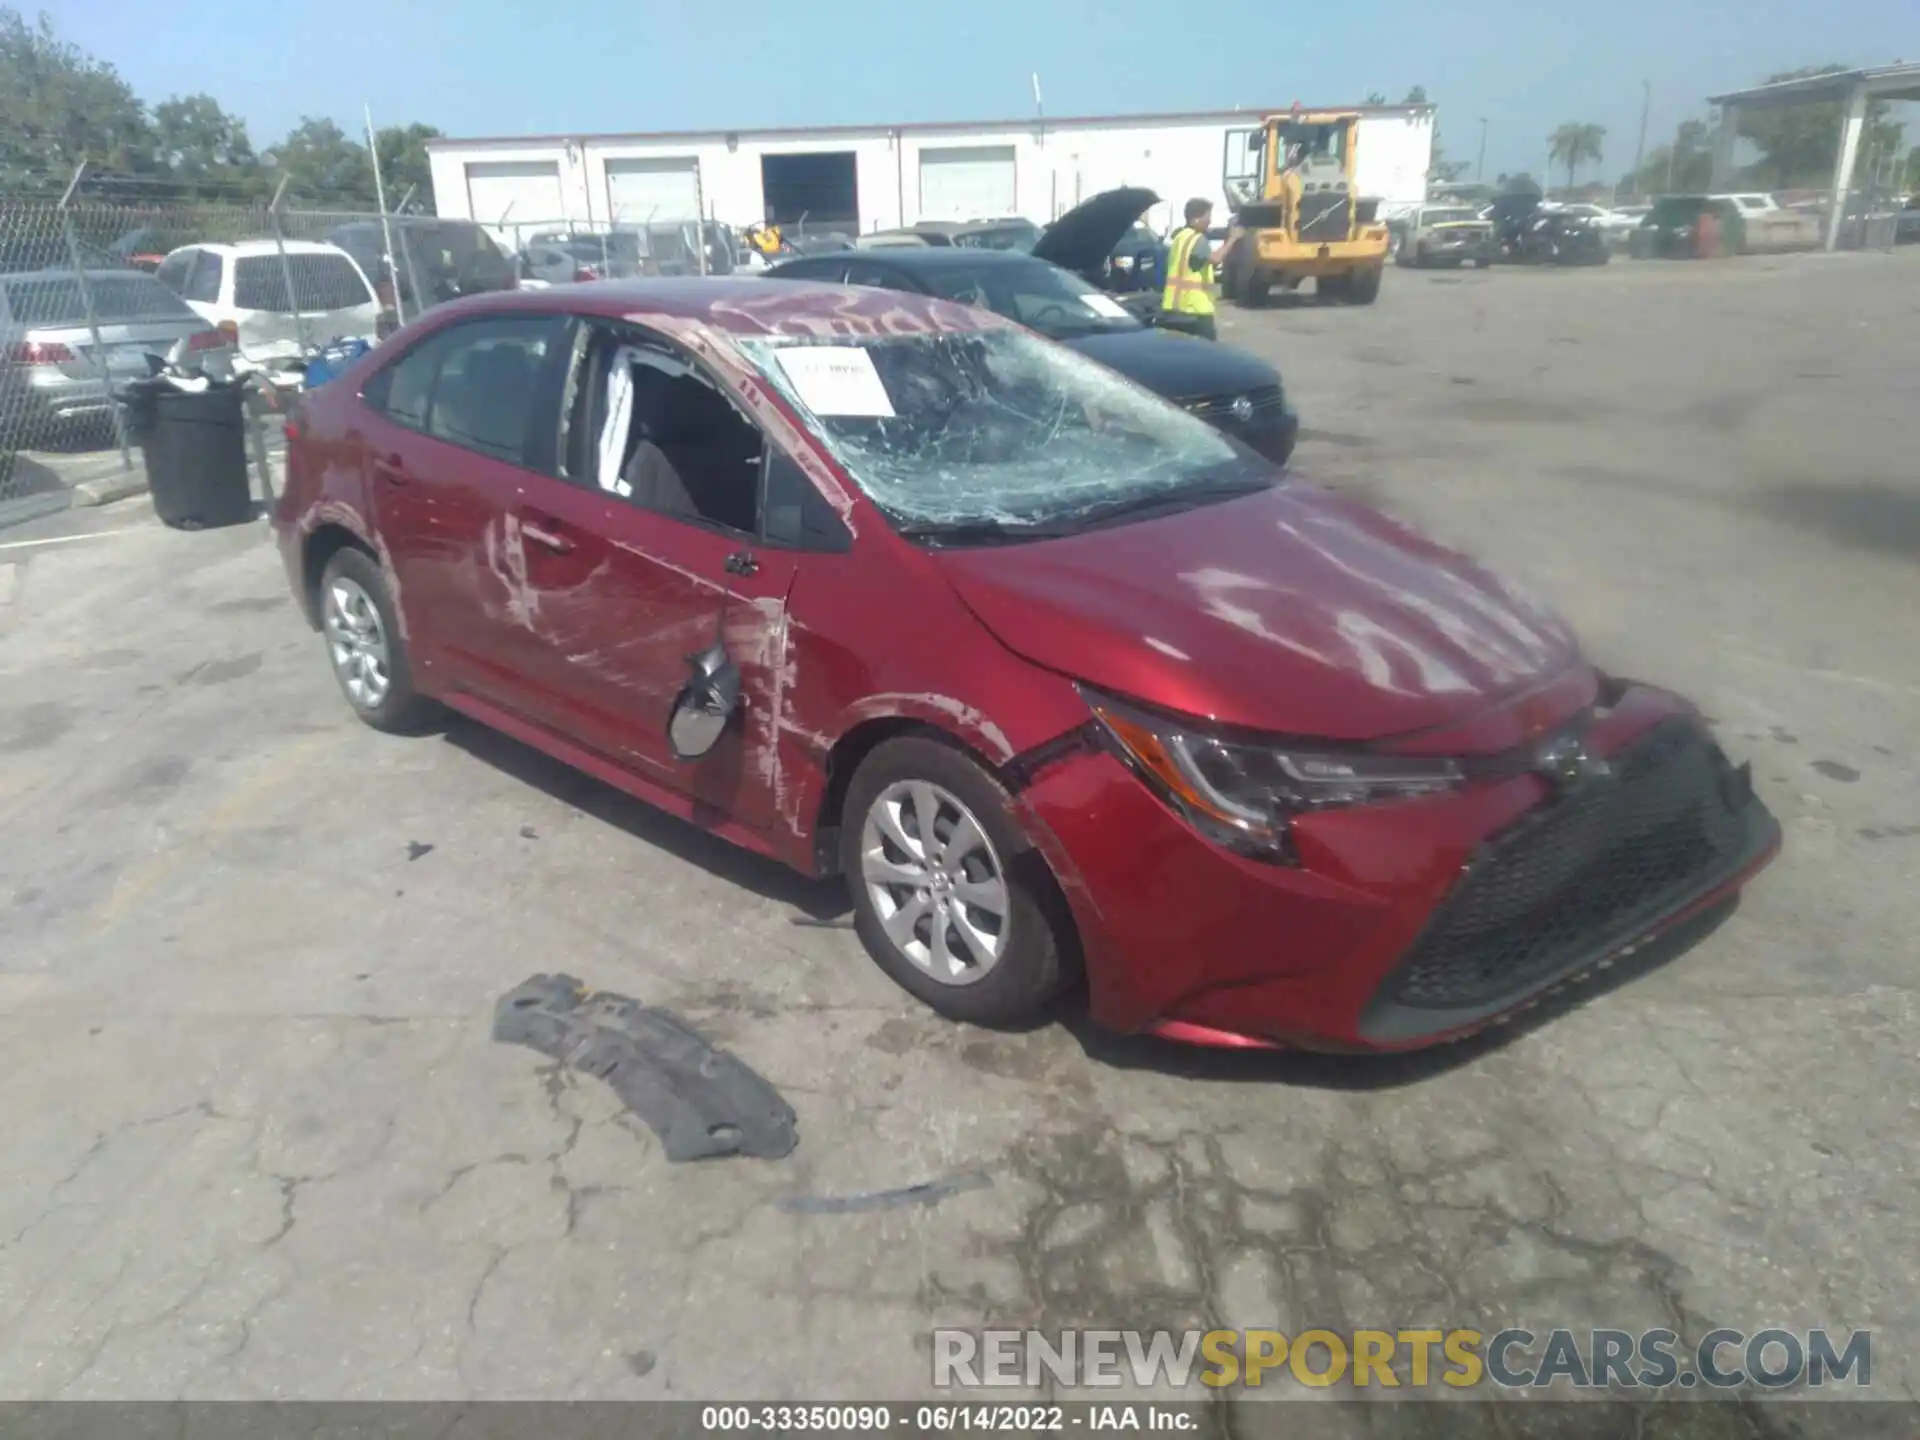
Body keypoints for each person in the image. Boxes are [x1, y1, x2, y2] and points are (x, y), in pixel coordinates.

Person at [1159, 198, 1230, 341]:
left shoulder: (1180, 237)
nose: (1209, 222)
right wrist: (1233, 239)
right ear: (1196, 218)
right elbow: (1216, 259)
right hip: (1196, 310)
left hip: (1172, 308)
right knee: (1208, 355)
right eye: (1208, 217)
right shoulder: (1198, 239)